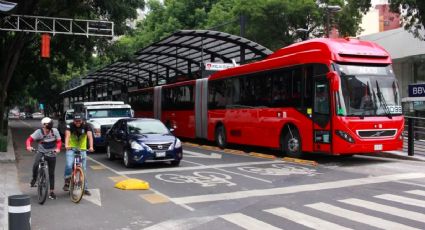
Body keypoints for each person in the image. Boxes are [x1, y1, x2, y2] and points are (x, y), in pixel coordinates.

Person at [26, 117, 62, 200]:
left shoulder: (55, 131)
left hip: (52, 153)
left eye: (50, 123)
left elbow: (59, 141)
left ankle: (51, 192)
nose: (50, 125)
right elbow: (29, 140)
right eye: (48, 123)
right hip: (41, 152)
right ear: (44, 125)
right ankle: (34, 179)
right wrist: (28, 146)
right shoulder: (39, 132)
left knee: (51, 173)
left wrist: (58, 148)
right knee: (35, 164)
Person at [63, 113, 94, 196]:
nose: (77, 123)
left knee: (83, 169)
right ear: (73, 121)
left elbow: (90, 137)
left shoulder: (87, 126)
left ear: (83, 121)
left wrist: (91, 147)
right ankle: (67, 181)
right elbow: (67, 136)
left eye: (79, 121)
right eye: (76, 121)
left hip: (82, 149)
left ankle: (85, 188)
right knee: (69, 165)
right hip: (71, 148)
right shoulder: (70, 126)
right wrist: (66, 145)